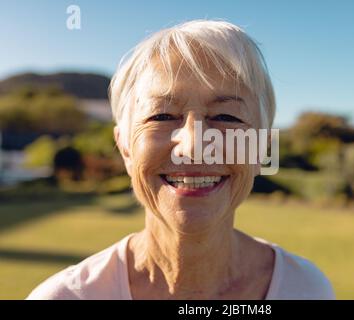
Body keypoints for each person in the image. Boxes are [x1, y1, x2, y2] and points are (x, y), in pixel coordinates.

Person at [27, 19, 334, 300]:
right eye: (162, 115)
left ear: (261, 148)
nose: (193, 144)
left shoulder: (305, 289)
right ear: (125, 148)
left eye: (226, 116)